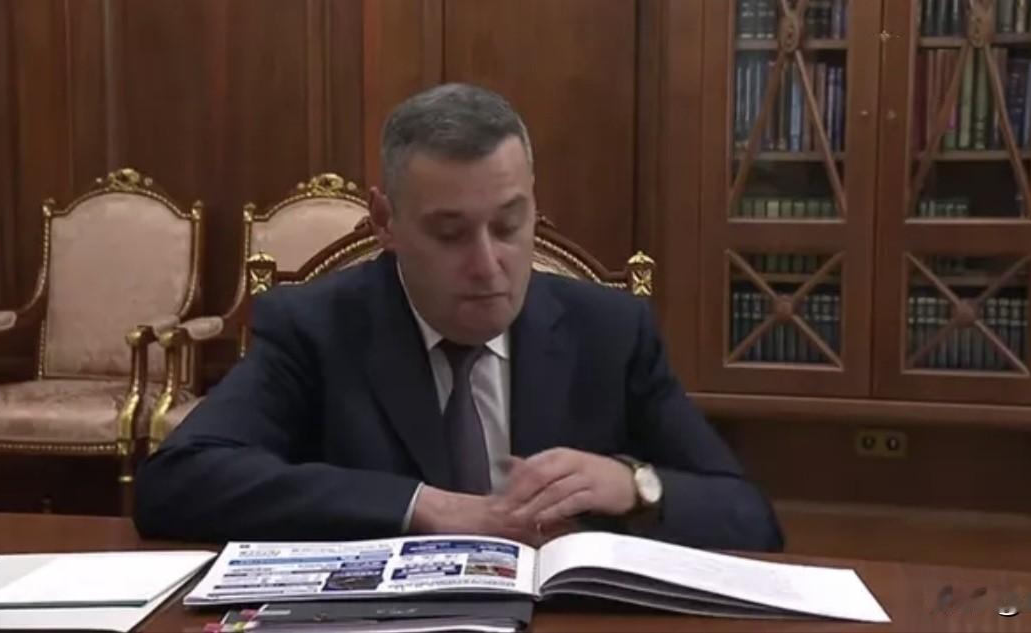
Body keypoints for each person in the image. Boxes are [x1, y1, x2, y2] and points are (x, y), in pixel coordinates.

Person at [133, 83, 783, 552]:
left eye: (509, 225)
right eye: (450, 234)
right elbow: (176, 482)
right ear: (385, 222)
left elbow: (751, 518)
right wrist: (426, 507)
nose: (488, 264)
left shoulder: (612, 332)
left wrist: (633, 485)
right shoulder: (316, 328)